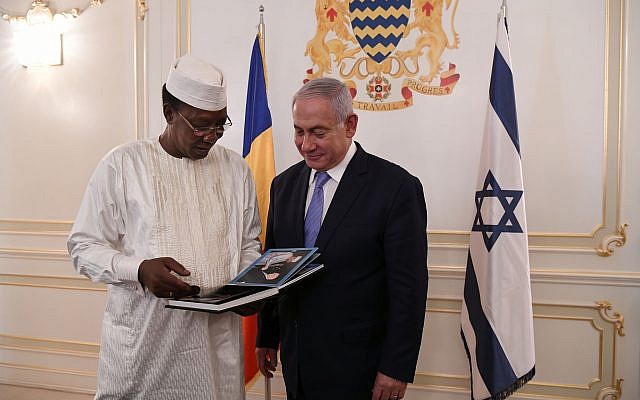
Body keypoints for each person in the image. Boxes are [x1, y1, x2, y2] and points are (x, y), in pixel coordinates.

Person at [67, 54, 262, 400]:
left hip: (217, 343)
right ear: (169, 114)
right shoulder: (122, 165)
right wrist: (139, 269)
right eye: (201, 125)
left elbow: (248, 242)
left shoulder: (236, 170)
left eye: (220, 124)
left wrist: (249, 288)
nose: (212, 136)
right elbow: (83, 246)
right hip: (146, 342)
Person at [256, 78, 428, 400]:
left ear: (350, 125)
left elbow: (409, 289)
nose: (306, 144)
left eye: (318, 132)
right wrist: (267, 335)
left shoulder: (396, 188)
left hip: (359, 368)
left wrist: (396, 367)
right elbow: (276, 266)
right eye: (299, 131)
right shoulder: (284, 186)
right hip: (298, 364)